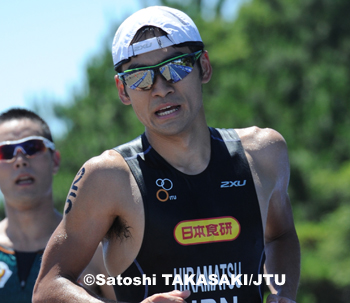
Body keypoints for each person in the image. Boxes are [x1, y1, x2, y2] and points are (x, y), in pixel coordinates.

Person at [33, 5, 300, 303]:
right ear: (122, 90)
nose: (160, 88)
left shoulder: (263, 154)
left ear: (204, 67)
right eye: (140, 77)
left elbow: (281, 236)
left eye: (176, 66)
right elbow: (48, 286)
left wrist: (283, 293)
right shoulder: (109, 178)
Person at [0, 108, 115, 302]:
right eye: (5, 152)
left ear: (55, 160)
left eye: (33, 147)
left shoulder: (94, 249)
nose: (20, 161)